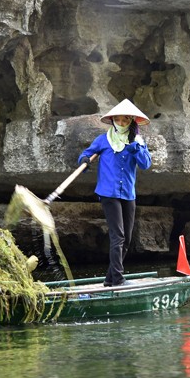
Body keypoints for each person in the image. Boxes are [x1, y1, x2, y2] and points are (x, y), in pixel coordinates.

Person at [78, 99, 152, 287]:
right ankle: (118, 279)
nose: (121, 124)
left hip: (128, 193)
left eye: (125, 120)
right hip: (108, 193)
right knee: (117, 236)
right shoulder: (103, 140)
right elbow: (86, 154)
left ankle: (109, 279)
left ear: (131, 122)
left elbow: (145, 164)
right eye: (117, 120)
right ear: (112, 121)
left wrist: (135, 147)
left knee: (127, 238)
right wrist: (85, 160)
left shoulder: (138, 142)